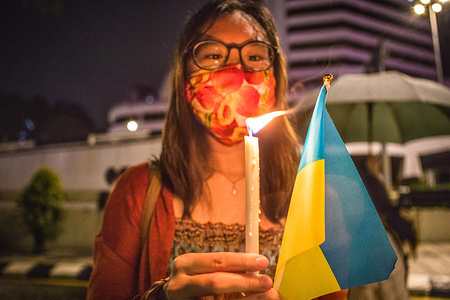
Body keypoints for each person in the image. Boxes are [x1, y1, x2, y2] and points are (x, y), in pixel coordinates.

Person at [87, 1, 348, 299]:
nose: (235, 71)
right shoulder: (137, 192)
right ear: (184, 74)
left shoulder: (317, 199)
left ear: (275, 77)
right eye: (212, 55)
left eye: (254, 56)